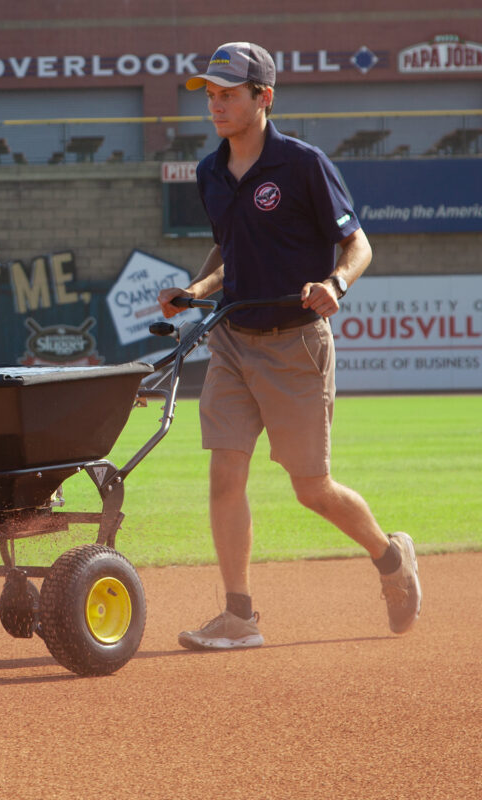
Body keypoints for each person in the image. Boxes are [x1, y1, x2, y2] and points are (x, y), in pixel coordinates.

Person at [158, 42, 421, 651]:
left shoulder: (304, 164)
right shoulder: (209, 172)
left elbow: (359, 246)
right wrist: (195, 290)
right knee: (225, 472)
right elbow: (228, 249)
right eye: (211, 96)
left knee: (311, 488)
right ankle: (239, 615)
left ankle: (390, 558)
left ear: (264, 97)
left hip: (295, 345)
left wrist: (335, 284)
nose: (217, 106)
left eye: (229, 95)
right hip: (231, 340)